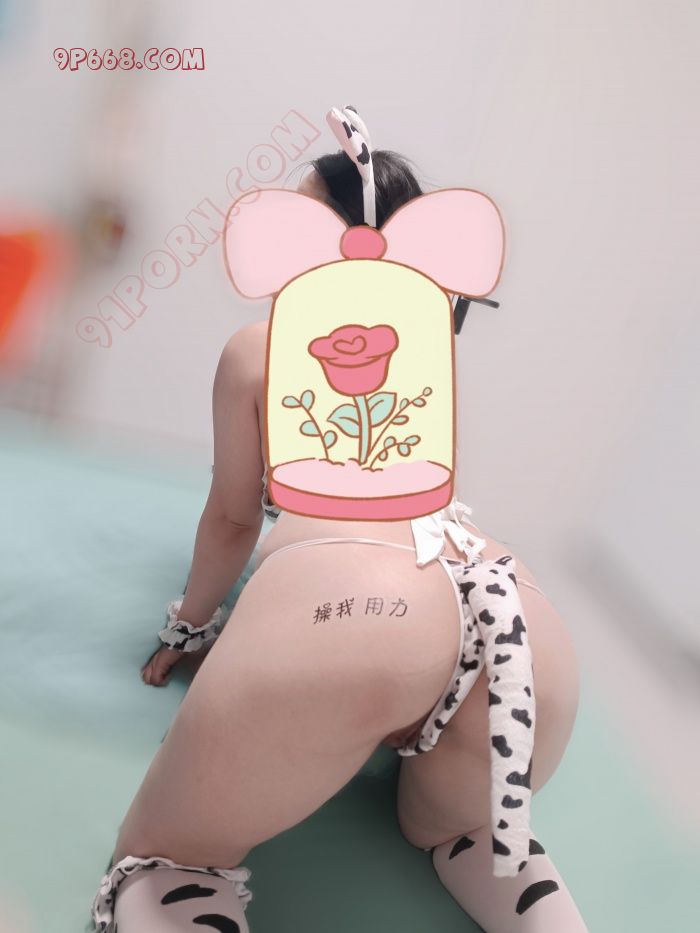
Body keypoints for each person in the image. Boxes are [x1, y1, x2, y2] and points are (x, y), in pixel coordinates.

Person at [91, 148, 588, 932]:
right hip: (515, 619)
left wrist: (189, 625)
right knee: (464, 834)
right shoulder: (426, 344)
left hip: (362, 612)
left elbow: (232, 518)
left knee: (167, 860)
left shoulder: (259, 345)